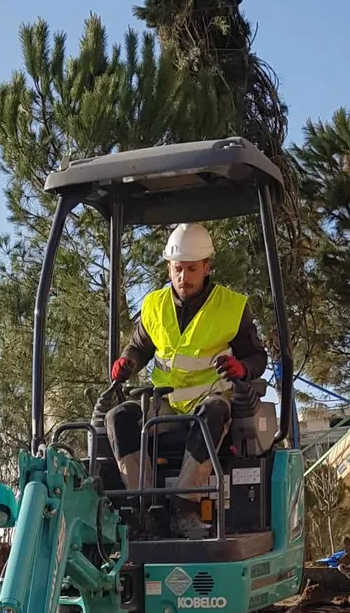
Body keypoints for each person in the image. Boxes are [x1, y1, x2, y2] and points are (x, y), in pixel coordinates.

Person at [94, 222, 268, 535]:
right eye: (177, 269)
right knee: (118, 417)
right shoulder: (154, 306)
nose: (183, 278)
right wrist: (127, 362)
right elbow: (139, 347)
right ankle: (143, 507)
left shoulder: (232, 308)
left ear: (206, 267)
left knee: (212, 411)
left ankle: (183, 506)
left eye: (191, 269)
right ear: (169, 267)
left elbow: (257, 358)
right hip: (165, 403)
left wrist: (242, 369)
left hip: (211, 402)